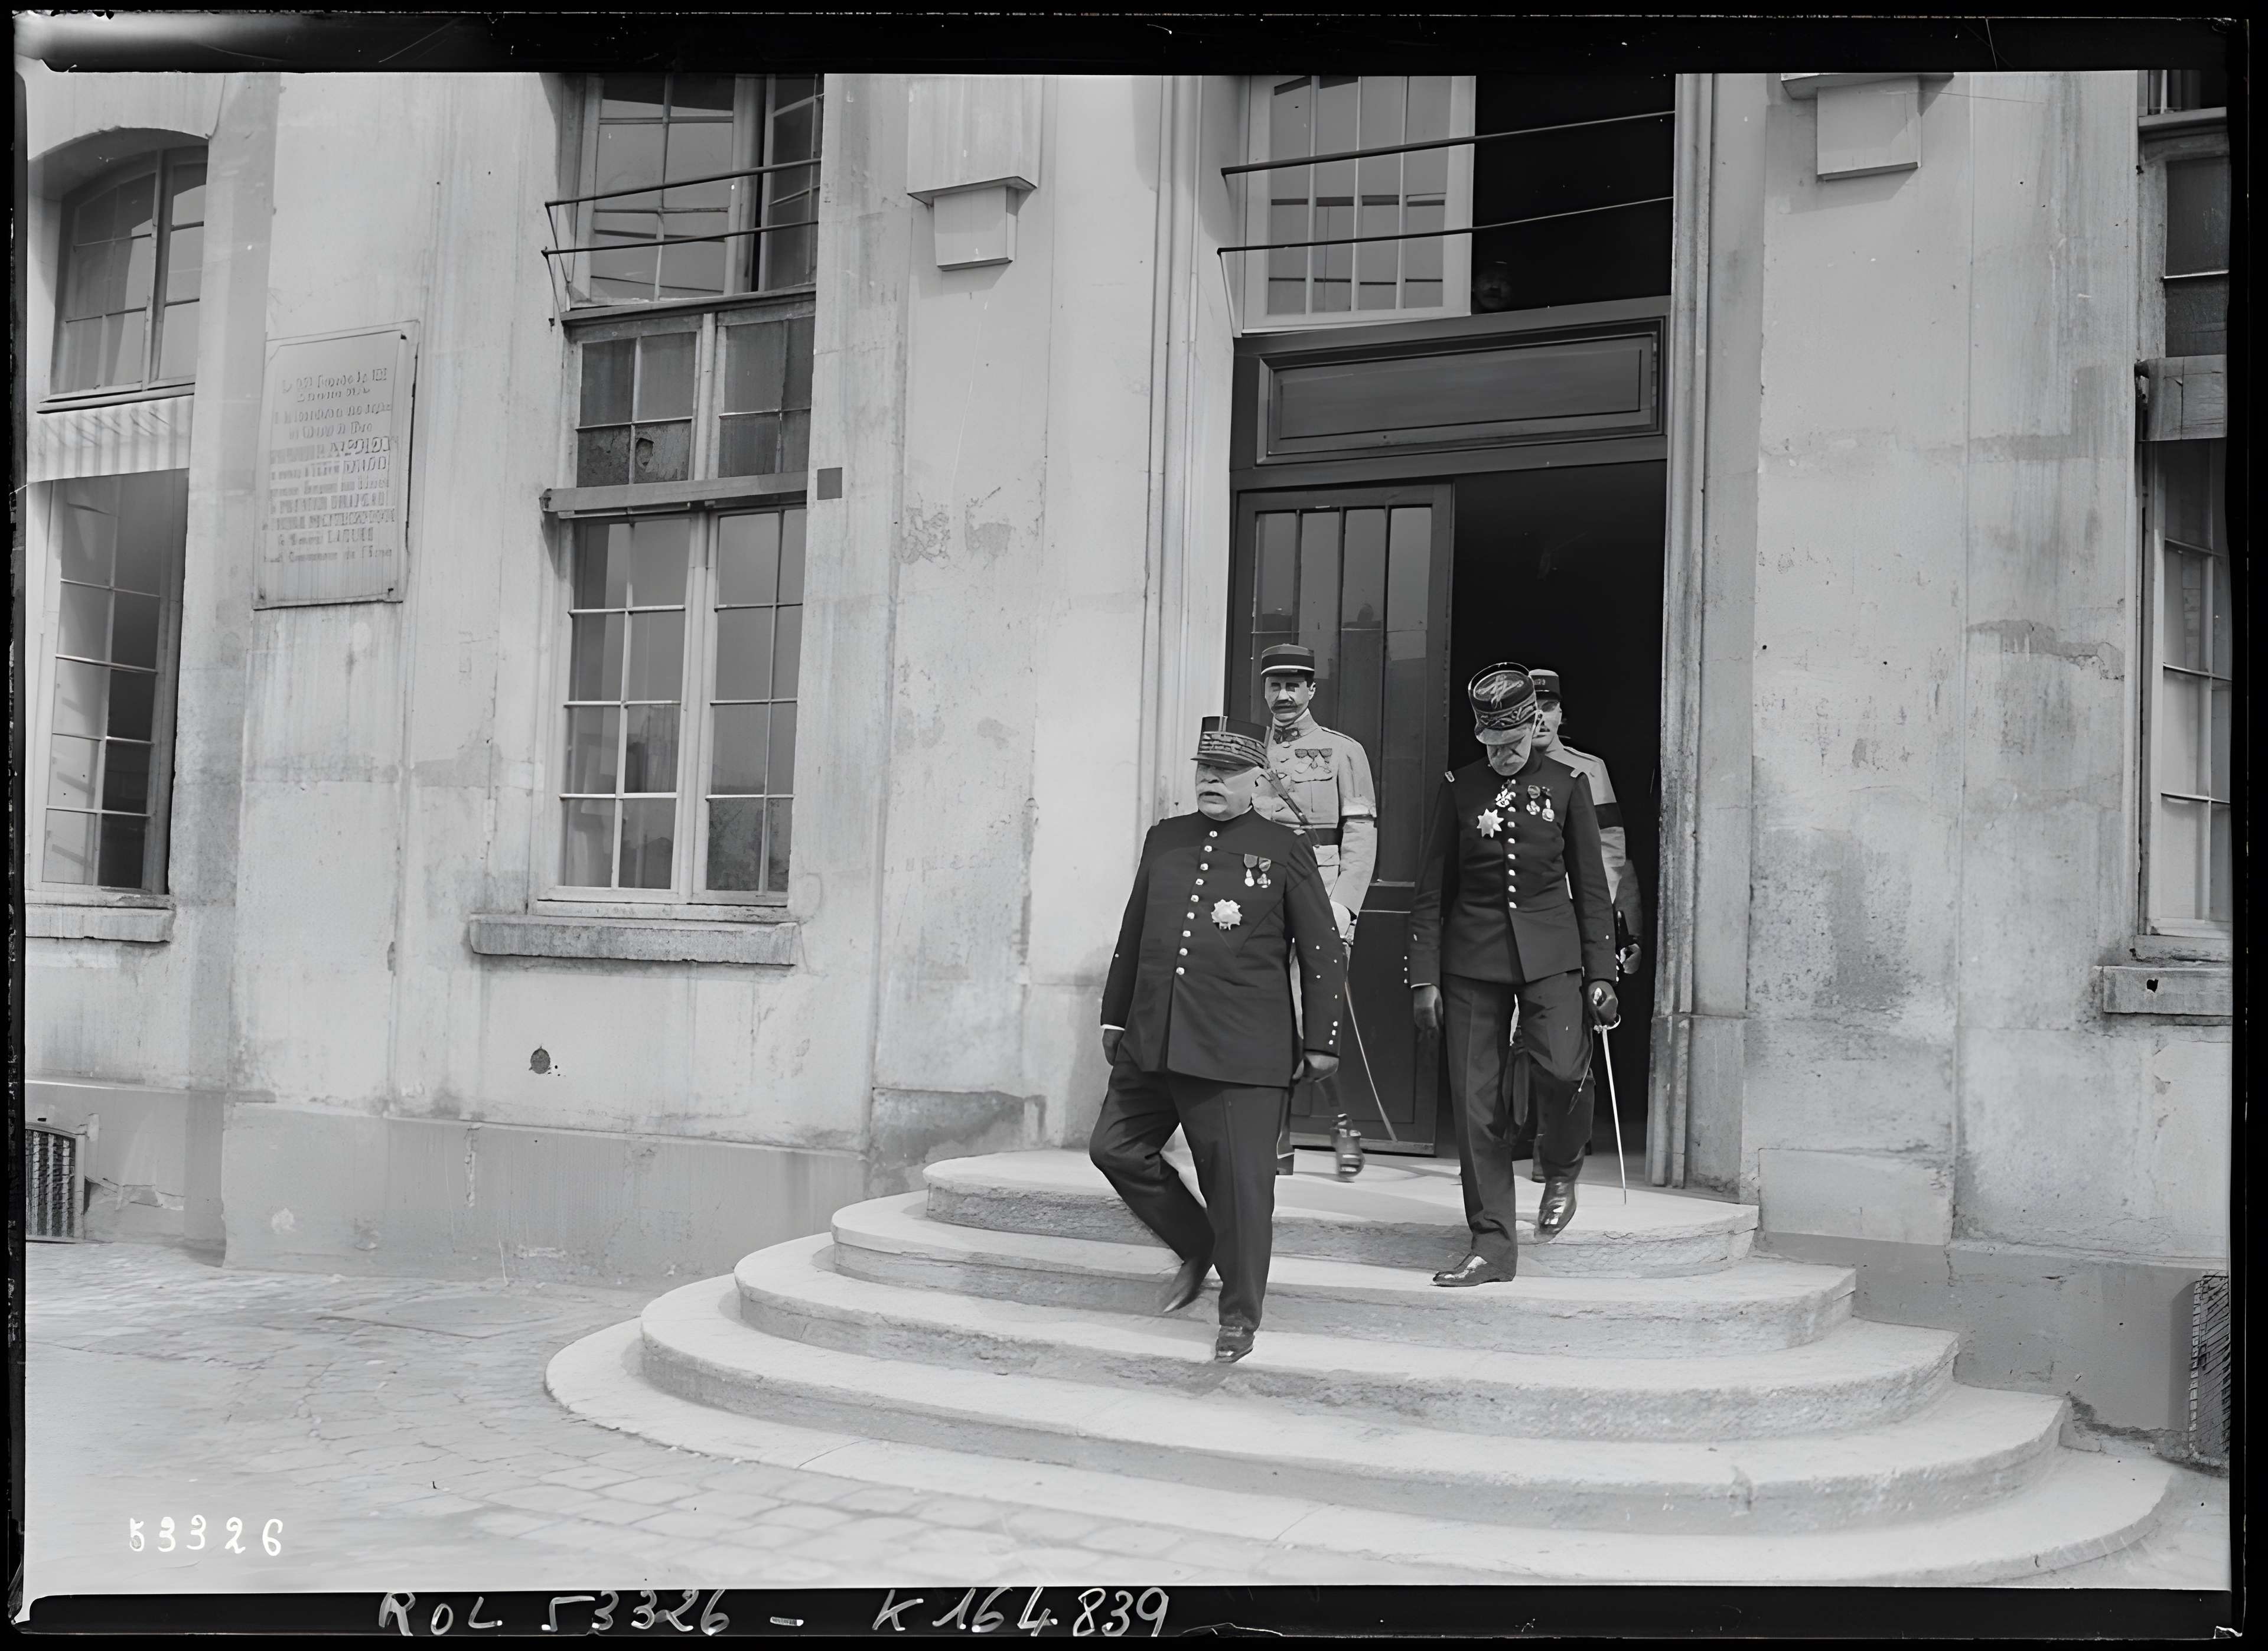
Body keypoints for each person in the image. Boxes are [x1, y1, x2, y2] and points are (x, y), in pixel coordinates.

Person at [1091, 716, 1348, 1361]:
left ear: (1258, 780)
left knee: (1240, 1187)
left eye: (1227, 772)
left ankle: (1239, 1316)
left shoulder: (1285, 848)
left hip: (1241, 1051)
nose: (1211, 780)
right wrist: (1115, 1014)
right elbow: (1135, 929)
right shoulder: (1165, 839)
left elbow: (1321, 951)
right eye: (1205, 769)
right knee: (1115, 1148)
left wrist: (1322, 1038)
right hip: (1155, 1036)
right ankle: (1196, 1241)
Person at [1407, 664, 1617, 1286]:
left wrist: (1602, 971)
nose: (1503, 756)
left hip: (1553, 955)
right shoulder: (1458, 789)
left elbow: (1592, 888)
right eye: (1492, 746)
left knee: (1561, 1071)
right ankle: (1492, 1244)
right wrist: (1424, 976)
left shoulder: (1569, 785)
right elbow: (1430, 891)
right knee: (1477, 1108)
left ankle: (1560, 1165)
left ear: (1535, 726)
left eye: (1514, 744)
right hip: (1472, 960)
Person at [1510, 667, 1644, 1181]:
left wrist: (1591, 907)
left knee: (1565, 1032)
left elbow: (1612, 847)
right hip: (1519, 915)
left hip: (1572, 914)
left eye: (1549, 707)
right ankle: (1517, 1131)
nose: (1540, 717)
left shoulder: (1588, 770)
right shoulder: (1506, 766)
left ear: (1562, 713)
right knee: (1514, 1035)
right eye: (1531, 708)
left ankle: (1556, 1143)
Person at [1251, 642, 1378, 1175]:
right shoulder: (1248, 751)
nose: (1284, 695)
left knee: (1314, 1013)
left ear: (1311, 691)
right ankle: (1276, 1135)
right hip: (1259, 897)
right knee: (1263, 1018)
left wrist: (1345, 905)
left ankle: (1344, 1123)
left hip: (1321, 894)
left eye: (1294, 685)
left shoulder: (1343, 752)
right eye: (1275, 685)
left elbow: (1361, 834)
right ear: (1265, 690)